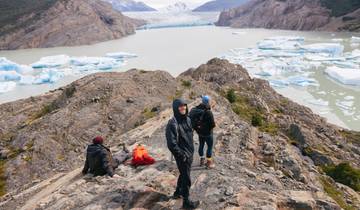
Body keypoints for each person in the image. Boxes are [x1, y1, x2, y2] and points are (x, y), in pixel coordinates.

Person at [166, 99, 200, 209]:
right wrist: (182, 155)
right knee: (187, 177)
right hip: (182, 156)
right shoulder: (172, 123)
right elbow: (171, 144)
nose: (183, 108)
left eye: (184, 106)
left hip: (189, 153)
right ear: (176, 108)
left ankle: (177, 192)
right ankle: (186, 202)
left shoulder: (188, 119)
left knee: (183, 173)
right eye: (180, 106)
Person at [189, 95, 216, 169]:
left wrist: (198, 128)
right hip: (208, 134)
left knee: (201, 145)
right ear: (208, 102)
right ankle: (209, 163)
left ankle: (202, 160)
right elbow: (213, 125)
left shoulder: (195, 110)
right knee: (209, 147)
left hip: (200, 133)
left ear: (202, 101)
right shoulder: (208, 112)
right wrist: (208, 129)